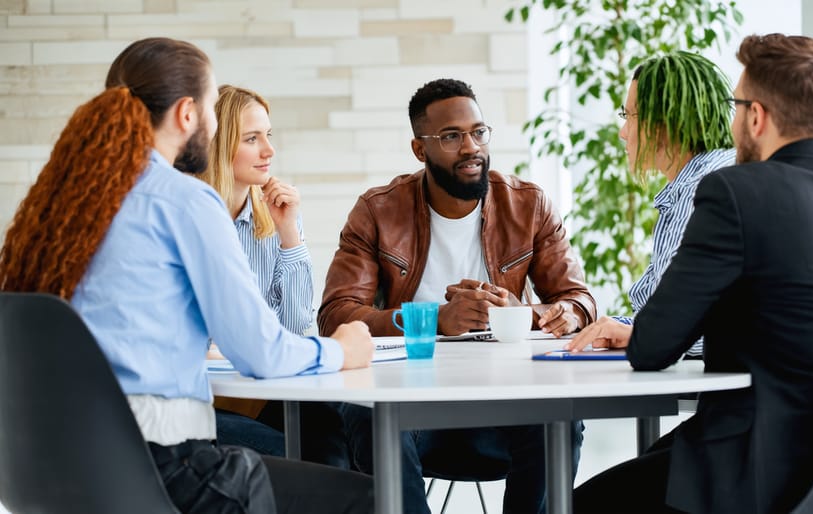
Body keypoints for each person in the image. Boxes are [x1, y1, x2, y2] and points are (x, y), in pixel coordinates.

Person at [0, 37, 374, 514]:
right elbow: (261, 352)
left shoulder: (62, 206)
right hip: (162, 467)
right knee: (370, 498)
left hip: (44, 466)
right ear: (186, 114)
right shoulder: (183, 200)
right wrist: (343, 349)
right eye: (213, 107)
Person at [572, 33, 813, 514]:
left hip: (754, 476)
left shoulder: (734, 192)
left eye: (735, 108)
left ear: (755, 116)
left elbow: (651, 346)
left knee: (575, 504)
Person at [318, 78, 597, 514]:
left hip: (506, 408)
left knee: (560, 418)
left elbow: (577, 300)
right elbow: (336, 315)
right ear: (419, 149)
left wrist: (520, 313)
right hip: (411, 415)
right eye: (451, 136)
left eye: (478, 132)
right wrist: (431, 318)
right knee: (365, 414)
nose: (471, 147)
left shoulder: (528, 205)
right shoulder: (378, 210)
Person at [199, 85, 346, 466]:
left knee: (343, 435)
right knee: (305, 458)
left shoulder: (273, 215)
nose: (269, 150)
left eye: (269, 135)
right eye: (252, 138)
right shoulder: (192, 219)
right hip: (204, 400)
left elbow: (297, 326)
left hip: (263, 392)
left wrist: (289, 234)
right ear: (218, 145)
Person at [565, 51, 735, 357]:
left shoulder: (707, 190)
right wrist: (619, 327)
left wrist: (639, 334)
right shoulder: (693, 184)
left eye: (630, 116)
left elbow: (701, 330)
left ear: (667, 120)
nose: (622, 132)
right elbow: (675, 318)